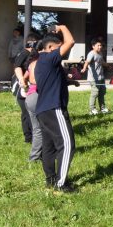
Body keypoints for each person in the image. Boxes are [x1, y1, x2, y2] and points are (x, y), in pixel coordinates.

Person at [35, 25, 77, 192]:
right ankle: (61, 183)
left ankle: (50, 179)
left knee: (49, 147)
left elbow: (52, 80)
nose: (62, 52)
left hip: (43, 110)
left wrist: (70, 82)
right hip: (54, 108)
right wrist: (63, 27)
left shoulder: (42, 63)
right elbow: (71, 41)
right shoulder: (48, 58)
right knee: (67, 145)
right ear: (50, 48)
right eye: (59, 48)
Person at [12, 35, 39, 144]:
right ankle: (29, 137)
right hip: (21, 87)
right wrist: (22, 80)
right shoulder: (24, 53)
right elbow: (17, 67)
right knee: (27, 112)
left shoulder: (33, 54)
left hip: (28, 85)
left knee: (27, 112)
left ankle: (30, 137)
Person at [20, 39, 43, 162]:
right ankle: (34, 157)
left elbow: (23, 79)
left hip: (30, 96)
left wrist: (27, 87)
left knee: (36, 128)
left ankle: (39, 154)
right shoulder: (41, 63)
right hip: (37, 96)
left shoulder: (31, 64)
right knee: (40, 129)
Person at [82, 37, 109, 115]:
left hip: (101, 77)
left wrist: (108, 66)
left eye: (101, 45)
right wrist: (84, 68)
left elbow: (102, 62)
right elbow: (87, 62)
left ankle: (102, 108)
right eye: (98, 45)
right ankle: (92, 109)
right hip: (93, 78)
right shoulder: (91, 53)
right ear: (93, 46)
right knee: (95, 93)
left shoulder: (100, 53)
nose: (100, 47)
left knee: (102, 92)